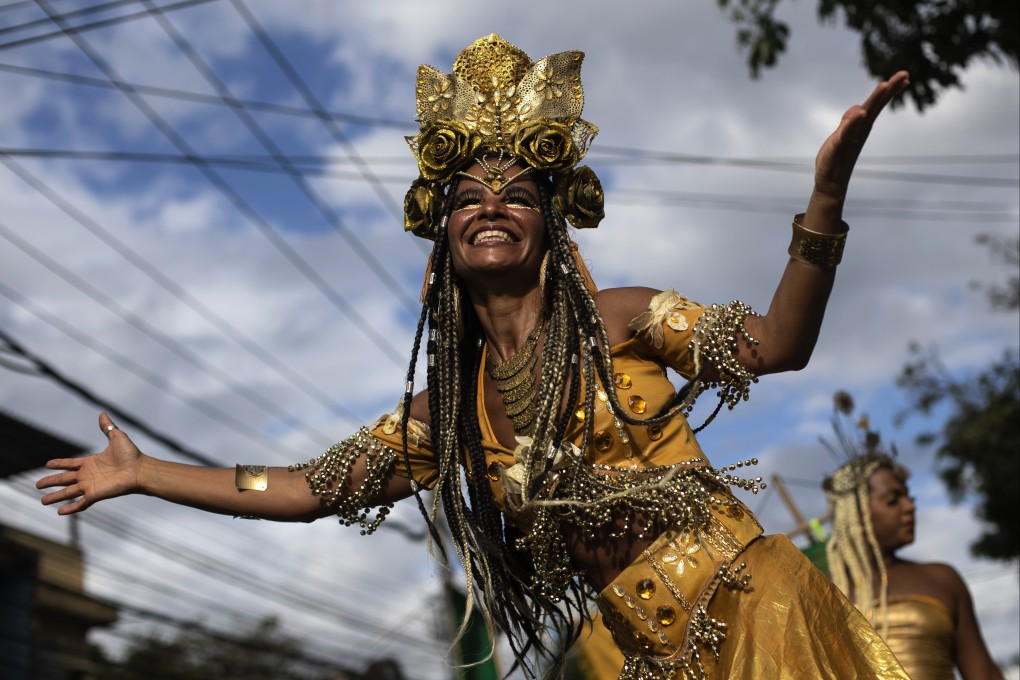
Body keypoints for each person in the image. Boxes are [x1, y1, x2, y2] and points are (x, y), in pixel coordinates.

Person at [37, 34, 913, 679]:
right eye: (468, 195)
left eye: (518, 192)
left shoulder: (625, 318)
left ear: (550, 227)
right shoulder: (450, 411)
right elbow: (305, 488)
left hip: (762, 615)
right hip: (649, 661)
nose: (491, 204)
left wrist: (824, 199)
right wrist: (147, 472)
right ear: (443, 235)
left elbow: (781, 345)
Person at [823, 391, 1006, 680]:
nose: (910, 507)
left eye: (909, 497)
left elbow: (983, 673)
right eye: (893, 500)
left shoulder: (941, 580)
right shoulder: (823, 594)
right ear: (855, 513)